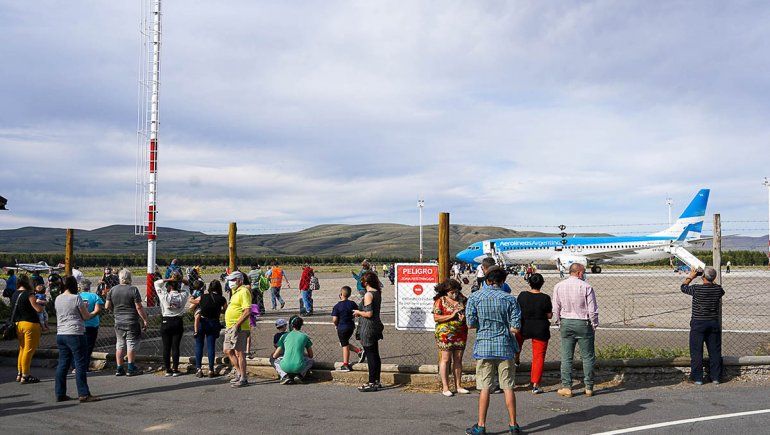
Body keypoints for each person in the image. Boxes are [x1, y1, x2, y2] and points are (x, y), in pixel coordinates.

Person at [465, 266, 522, 434]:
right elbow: (516, 328)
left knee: (484, 387)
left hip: (484, 346)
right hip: (504, 346)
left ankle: (481, 425)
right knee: (508, 386)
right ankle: (513, 425)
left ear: (487, 280)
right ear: (503, 281)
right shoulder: (510, 299)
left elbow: (470, 324)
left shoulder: (475, 297)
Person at [553, 263, 599, 398]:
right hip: (582, 322)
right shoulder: (586, 286)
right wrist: (594, 324)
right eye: (583, 272)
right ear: (579, 273)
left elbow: (556, 307)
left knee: (566, 357)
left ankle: (567, 386)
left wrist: (559, 322)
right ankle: (589, 386)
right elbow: (592, 309)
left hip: (566, 321)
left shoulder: (559, 286)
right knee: (588, 356)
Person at [54, 276, 100, 402]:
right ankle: (84, 393)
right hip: (75, 333)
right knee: (80, 363)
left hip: (61, 333)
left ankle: (60, 392)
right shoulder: (76, 298)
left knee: (63, 363)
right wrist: (95, 312)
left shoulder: (58, 299)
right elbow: (85, 316)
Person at [681, 267, 725, 384]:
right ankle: (716, 377)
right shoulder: (718, 290)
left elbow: (683, 287)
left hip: (698, 323)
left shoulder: (696, 289)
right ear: (714, 278)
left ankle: (697, 378)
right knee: (714, 351)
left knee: (696, 351)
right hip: (713, 323)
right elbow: (719, 289)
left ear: (703, 277)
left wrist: (691, 276)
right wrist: (710, 278)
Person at [105, 268, 149, 377]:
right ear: (130, 278)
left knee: (119, 345)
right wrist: (144, 319)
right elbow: (138, 307)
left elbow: (107, 306)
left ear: (119, 278)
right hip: (131, 321)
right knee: (131, 344)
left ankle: (119, 368)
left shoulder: (112, 290)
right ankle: (130, 367)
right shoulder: (133, 289)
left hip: (118, 321)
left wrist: (115, 310)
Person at [514, 273, 552, 394]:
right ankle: (535, 384)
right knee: (538, 356)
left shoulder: (522, 295)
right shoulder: (545, 298)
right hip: (540, 328)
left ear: (529, 283)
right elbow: (549, 315)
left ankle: (516, 359)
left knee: (515, 346)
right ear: (542, 283)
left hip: (523, 326)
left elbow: (517, 309)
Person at [433, 279, 469, 397]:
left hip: (460, 332)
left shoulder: (462, 299)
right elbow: (436, 317)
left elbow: (469, 312)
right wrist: (451, 315)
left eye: (456, 292)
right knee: (446, 358)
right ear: (446, 291)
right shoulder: (440, 301)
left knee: (458, 359)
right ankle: (445, 387)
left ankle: (458, 385)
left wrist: (464, 317)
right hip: (445, 333)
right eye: (452, 292)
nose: (454, 294)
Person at [154, 272, 190, 377]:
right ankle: (175, 368)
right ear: (178, 286)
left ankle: (168, 369)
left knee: (166, 347)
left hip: (166, 321)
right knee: (175, 346)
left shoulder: (164, 295)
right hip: (178, 321)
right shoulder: (182, 295)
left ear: (169, 287)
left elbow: (156, 283)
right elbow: (187, 284)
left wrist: (169, 279)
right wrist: (179, 279)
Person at [353, 271, 385, 392]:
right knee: (375, 355)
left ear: (365, 282)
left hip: (368, 327)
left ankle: (372, 382)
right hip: (376, 326)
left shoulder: (368, 295)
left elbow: (369, 313)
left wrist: (358, 312)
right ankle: (376, 380)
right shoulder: (377, 293)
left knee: (371, 356)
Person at [11, 275, 45, 384]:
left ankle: (19, 373)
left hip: (18, 324)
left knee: (22, 349)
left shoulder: (14, 294)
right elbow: (37, 309)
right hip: (30, 324)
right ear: (27, 283)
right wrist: (42, 306)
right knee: (29, 350)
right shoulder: (29, 294)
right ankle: (25, 375)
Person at [190, 280, 227, 378]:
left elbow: (192, 301)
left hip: (202, 322)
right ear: (219, 288)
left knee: (199, 345)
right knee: (211, 346)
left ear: (210, 287)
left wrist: (192, 296)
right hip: (214, 322)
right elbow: (225, 310)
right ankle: (211, 369)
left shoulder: (203, 296)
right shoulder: (222, 299)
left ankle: (199, 369)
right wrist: (218, 310)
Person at [223, 271, 251, 388]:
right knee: (228, 350)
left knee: (239, 352)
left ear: (239, 280)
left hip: (238, 327)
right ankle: (239, 373)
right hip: (230, 326)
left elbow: (247, 311)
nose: (231, 282)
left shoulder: (244, 291)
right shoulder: (235, 292)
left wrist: (237, 324)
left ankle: (243, 377)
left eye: (233, 280)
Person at [272, 316, 314, 384]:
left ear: (291, 325)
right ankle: (300, 375)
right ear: (301, 325)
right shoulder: (305, 336)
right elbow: (311, 355)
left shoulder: (284, 336)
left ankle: (284, 376)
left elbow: (275, 355)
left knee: (275, 361)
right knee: (310, 361)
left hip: (285, 366)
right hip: (299, 366)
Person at [332, 286, 363, 372]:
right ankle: (359, 351)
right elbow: (357, 313)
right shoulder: (352, 303)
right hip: (351, 326)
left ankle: (345, 364)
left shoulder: (337, 306)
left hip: (342, 327)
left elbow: (334, 319)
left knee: (344, 345)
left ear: (341, 294)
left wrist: (336, 324)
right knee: (343, 342)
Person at [78, 279, 104, 370]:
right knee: (89, 346)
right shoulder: (94, 296)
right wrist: (89, 315)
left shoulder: (77, 296)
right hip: (92, 324)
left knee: (79, 346)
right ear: (89, 287)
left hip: (80, 324)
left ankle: (77, 365)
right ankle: (85, 365)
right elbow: (98, 310)